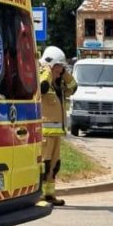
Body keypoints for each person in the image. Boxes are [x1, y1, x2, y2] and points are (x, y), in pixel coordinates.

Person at [38, 46, 77, 206]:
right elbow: (42, 88)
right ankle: (39, 195)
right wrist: (47, 70)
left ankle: (49, 195)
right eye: (59, 66)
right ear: (51, 65)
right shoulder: (43, 79)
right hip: (45, 133)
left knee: (54, 166)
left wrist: (65, 73)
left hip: (57, 134)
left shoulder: (59, 84)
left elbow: (74, 88)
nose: (61, 69)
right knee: (44, 165)